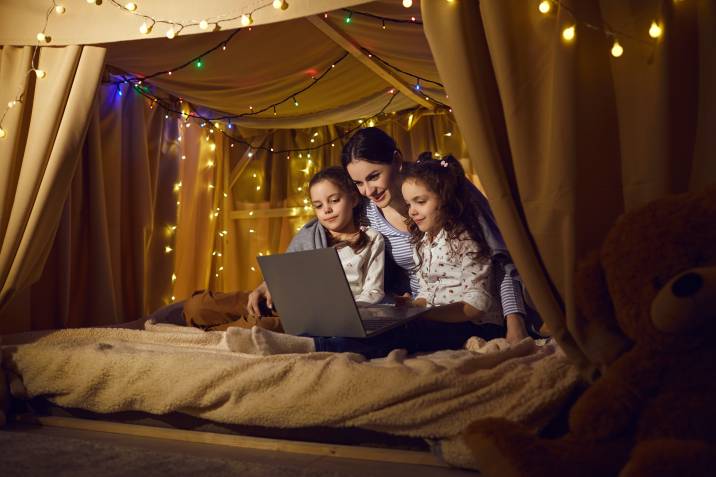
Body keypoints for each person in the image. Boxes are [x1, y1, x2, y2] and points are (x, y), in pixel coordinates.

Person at [339, 128, 530, 342]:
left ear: (397, 159)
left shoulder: (445, 189)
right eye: (358, 183)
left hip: (467, 314)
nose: (367, 191)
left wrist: (515, 322)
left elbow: (499, 258)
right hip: (422, 309)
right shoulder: (367, 212)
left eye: (374, 176)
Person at [184, 166, 385, 329]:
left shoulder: (372, 240)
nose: (327, 210)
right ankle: (195, 316)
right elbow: (283, 275)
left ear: (354, 198)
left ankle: (209, 332)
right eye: (318, 205)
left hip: (317, 316)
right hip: (282, 301)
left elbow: (374, 292)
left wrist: (344, 309)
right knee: (197, 306)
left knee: (259, 326)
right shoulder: (309, 234)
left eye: (334, 200)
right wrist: (266, 285)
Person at [400, 154, 523, 340]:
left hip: (476, 325)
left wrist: (426, 315)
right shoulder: (422, 241)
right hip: (439, 320)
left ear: (445, 199)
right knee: (397, 328)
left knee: (406, 334)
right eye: (408, 204)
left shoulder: (465, 239)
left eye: (421, 201)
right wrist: (412, 307)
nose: (412, 211)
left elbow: (477, 305)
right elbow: (427, 292)